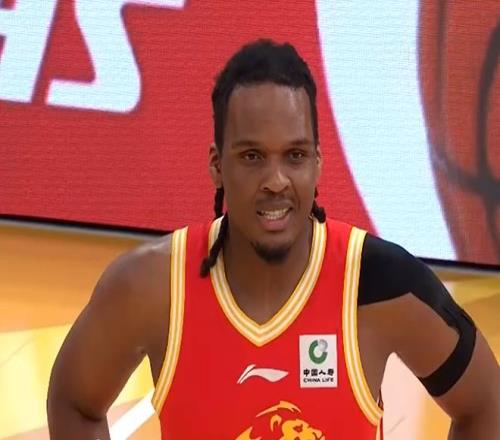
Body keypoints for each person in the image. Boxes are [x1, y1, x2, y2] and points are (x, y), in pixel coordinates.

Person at [47, 39, 500, 439]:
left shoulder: (381, 286)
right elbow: (74, 403)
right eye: (252, 156)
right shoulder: (151, 287)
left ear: (317, 163)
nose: (276, 180)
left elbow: (485, 406)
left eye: (295, 155)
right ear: (216, 165)